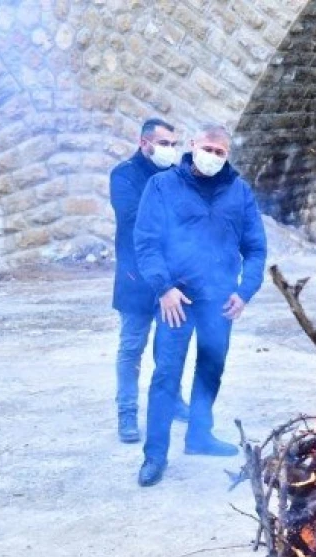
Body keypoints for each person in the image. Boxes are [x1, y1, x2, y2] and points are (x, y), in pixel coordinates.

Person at [133, 123, 267, 487]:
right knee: (166, 375)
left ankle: (199, 436)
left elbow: (255, 247)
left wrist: (245, 290)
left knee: (211, 367)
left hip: (219, 300)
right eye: (208, 148)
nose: (213, 157)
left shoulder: (239, 192)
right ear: (193, 146)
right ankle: (155, 455)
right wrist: (163, 288)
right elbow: (146, 243)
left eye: (220, 152)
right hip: (177, 299)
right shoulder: (162, 187)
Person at [109, 118, 189, 444]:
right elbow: (133, 220)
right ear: (145, 143)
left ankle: (172, 401)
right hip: (136, 278)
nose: (171, 150)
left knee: (170, 347)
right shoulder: (124, 175)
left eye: (173, 144)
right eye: (164, 143)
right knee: (132, 348)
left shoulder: (175, 175)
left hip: (172, 279)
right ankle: (127, 412)